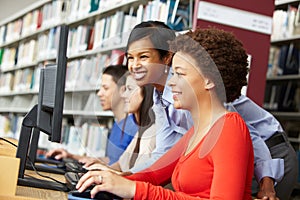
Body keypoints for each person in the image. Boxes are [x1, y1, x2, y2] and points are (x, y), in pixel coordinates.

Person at [75, 27, 254, 199]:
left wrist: (134, 189)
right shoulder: (196, 131)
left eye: (180, 74)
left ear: (208, 81)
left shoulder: (229, 128)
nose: (171, 83)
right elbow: (154, 174)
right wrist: (110, 179)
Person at [46, 65, 137, 165]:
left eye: (105, 88)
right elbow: (111, 160)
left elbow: (126, 168)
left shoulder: (134, 127)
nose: (99, 93)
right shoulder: (117, 124)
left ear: (123, 90)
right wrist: (71, 156)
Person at [226, 97, 297, 199]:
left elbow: (249, 135)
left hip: (273, 152)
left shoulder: (214, 96)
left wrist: (266, 184)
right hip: (256, 153)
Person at [85, 73, 156, 174]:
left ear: (146, 93)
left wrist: (105, 173)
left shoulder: (150, 134)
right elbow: (121, 164)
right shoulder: (141, 131)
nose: (123, 95)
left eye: (130, 89)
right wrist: (103, 168)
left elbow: (138, 178)